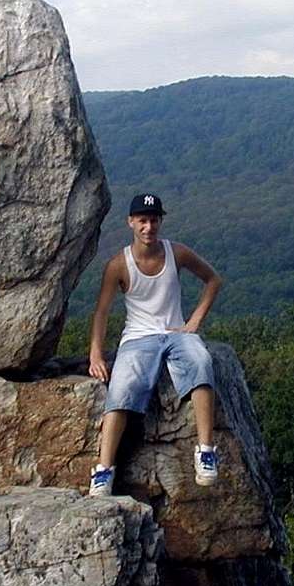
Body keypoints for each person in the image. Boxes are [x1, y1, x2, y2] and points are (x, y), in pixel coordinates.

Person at [87, 193, 223, 496]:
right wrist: (96, 353)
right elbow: (102, 311)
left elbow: (213, 280)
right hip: (138, 337)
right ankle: (103, 470)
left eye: (154, 220)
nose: (149, 227)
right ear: (131, 223)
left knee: (201, 362)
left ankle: (206, 450)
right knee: (120, 389)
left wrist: (194, 323)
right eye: (143, 221)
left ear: (161, 221)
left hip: (176, 332)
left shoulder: (177, 253)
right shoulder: (118, 265)